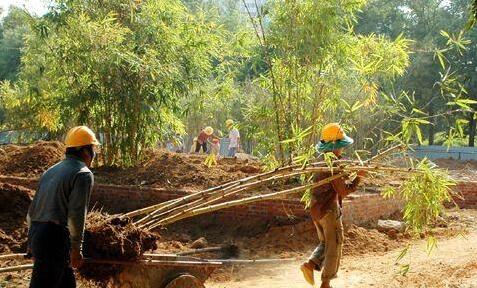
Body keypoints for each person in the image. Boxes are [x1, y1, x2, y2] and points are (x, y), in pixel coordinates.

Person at [26, 126, 100, 288]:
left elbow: (31, 213)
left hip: (39, 234)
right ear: (86, 151)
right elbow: (76, 215)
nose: (94, 154)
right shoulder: (83, 174)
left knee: (66, 284)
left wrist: (32, 242)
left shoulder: (50, 171)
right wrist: (76, 248)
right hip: (55, 239)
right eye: (93, 149)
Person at [300, 123, 366, 288]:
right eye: (341, 146)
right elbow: (343, 191)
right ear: (336, 146)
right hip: (329, 211)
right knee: (334, 245)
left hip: (316, 210)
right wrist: (359, 178)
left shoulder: (320, 160)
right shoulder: (333, 165)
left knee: (325, 244)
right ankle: (326, 283)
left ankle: (309, 264)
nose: (342, 150)